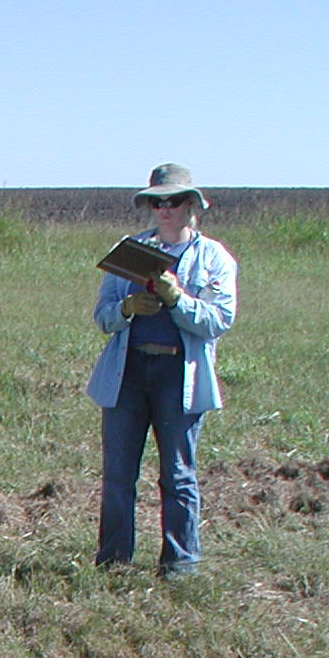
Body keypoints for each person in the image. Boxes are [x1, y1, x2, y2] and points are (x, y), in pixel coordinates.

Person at [86, 163, 238, 577]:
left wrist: (177, 299)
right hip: (128, 374)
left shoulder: (213, 258)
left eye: (174, 201)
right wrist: (126, 309)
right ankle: (114, 561)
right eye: (157, 201)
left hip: (178, 375)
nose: (165, 208)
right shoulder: (129, 251)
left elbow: (218, 321)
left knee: (177, 474)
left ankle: (180, 564)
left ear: (193, 205)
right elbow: (102, 318)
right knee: (118, 476)